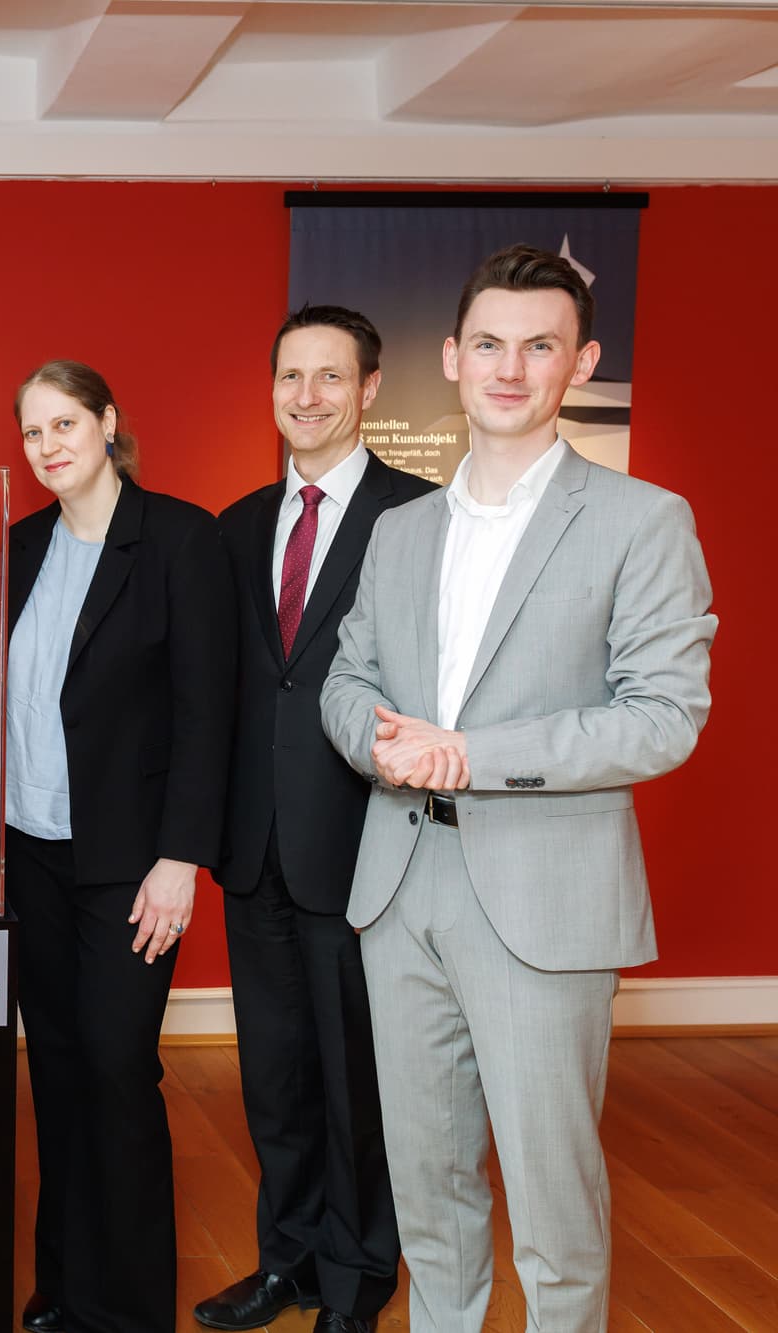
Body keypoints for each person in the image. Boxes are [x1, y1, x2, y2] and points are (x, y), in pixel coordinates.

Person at [320, 244, 716, 1332]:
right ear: (452, 357)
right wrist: (382, 747)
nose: (510, 368)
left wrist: (470, 753)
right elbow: (347, 680)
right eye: (489, 344)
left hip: (545, 895)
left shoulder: (643, 519)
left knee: (553, 1203)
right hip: (400, 886)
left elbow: (663, 715)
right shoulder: (399, 531)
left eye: (539, 346)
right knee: (427, 1186)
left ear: (581, 362)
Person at [198, 308, 433, 1333]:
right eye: (291, 376)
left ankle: (356, 1282)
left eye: (330, 376)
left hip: (363, 848)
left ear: (370, 387)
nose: (307, 396)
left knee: (357, 1087)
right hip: (255, 849)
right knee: (275, 1079)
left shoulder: (418, 517)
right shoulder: (238, 524)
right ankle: (285, 1262)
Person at [6, 360, 235, 1333]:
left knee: (115, 1065)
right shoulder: (20, 544)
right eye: (32, 431)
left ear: (107, 422)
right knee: (56, 1066)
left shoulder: (179, 538)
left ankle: (130, 1309)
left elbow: (206, 710)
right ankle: (65, 1282)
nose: (48, 445)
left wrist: (181, 858)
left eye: (65, 423)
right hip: (30, 851)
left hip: (131, 865)